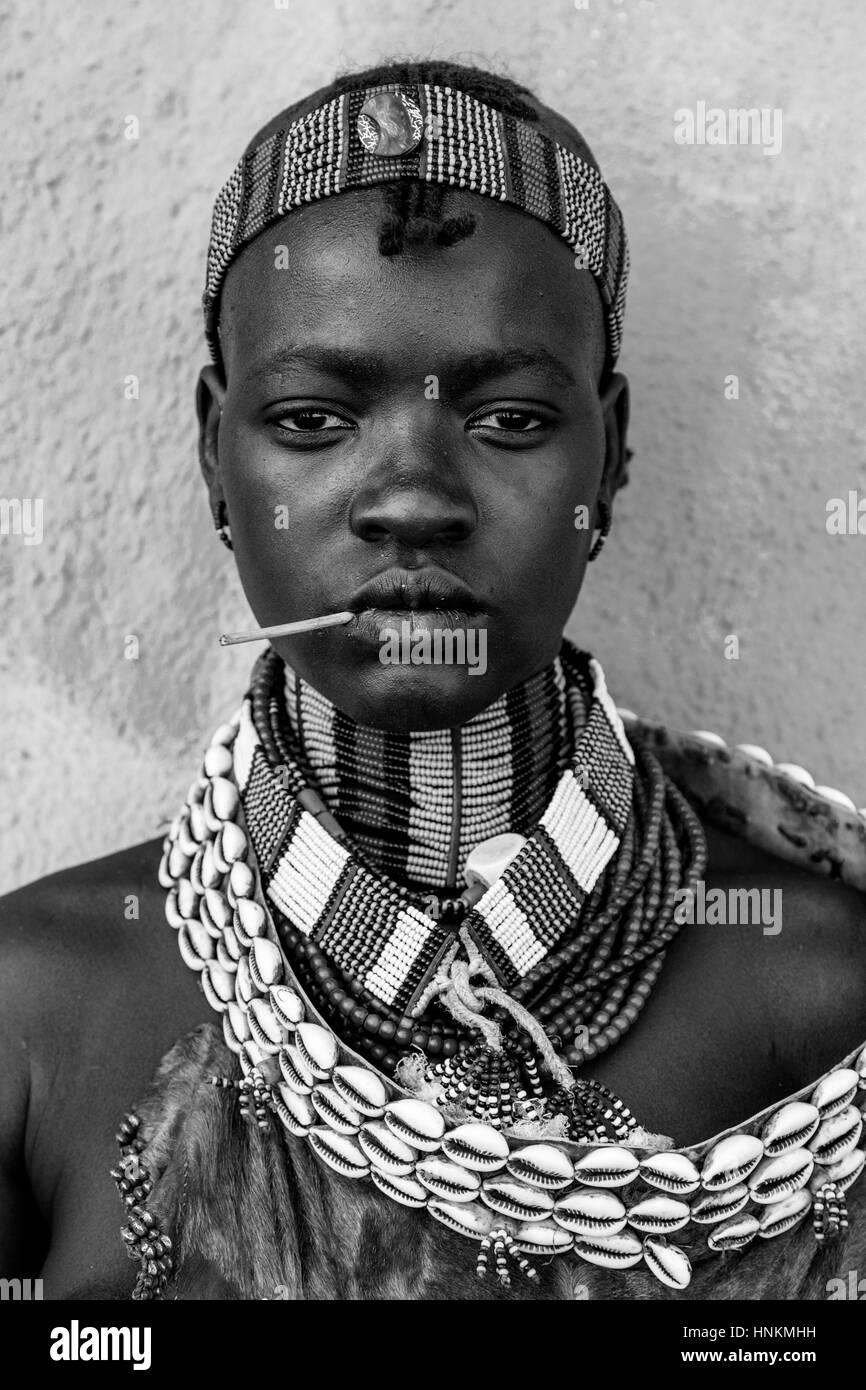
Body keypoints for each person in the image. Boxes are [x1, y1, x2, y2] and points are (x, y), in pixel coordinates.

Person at [1, 57, 864, 1302]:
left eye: (508, 419)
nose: (410, 499)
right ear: (211, 453)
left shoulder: (826, 1003)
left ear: (606, 459)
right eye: (311, 420)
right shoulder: (35, 1011)